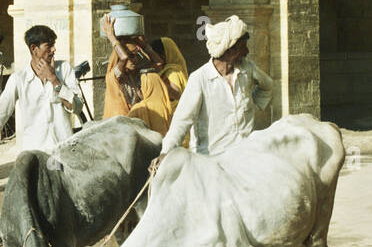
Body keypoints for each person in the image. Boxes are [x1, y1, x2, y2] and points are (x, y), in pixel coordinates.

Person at [152, 15, 273, 172]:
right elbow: (182, 121)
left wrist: (252, 105)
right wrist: (165, 153)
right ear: (230, 50)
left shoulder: (247, 69)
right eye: (243, 47)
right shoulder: (200, 79)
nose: (247, 51)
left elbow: (267, 86)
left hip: (245, 159)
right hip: (211, 164)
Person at [0, 24, 83, 169]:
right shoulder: (19, 79)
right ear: (34, 48)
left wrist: (54, 80)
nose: (54, 50)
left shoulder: (64, 69)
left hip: (63, 154)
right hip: (35, 158)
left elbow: (77, 107)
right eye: (49, 45)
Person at [102, 17, 188, 133]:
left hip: (134, 123)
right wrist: (111, 37)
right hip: (119, 126)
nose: (134, 60)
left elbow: (159, 63)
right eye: (131, 56)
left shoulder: (135, 74)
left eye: (136, 56)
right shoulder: (115, 76)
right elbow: (124, 57)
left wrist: (143, 45)